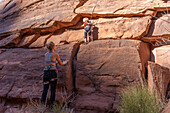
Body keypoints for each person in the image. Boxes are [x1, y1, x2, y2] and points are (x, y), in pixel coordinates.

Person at [41, 41, 68, 108]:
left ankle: (41, 106)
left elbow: (49, 61)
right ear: (53, 47)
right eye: (55, 46)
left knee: (45, 90)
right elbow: (61, 63)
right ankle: (51, 107)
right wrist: (65, 62)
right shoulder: (55, 54)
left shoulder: (46, 54)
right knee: (53, 90)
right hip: (52, 73)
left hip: (45, 73)